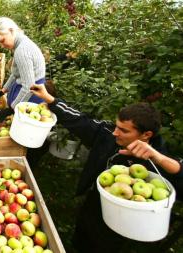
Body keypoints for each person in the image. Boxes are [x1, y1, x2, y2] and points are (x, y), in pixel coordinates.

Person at [30, 84, 183, 253]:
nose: (115, 133)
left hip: (121, 220)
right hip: (93, 202)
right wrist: (50, 99)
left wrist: (160, 159)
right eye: (116, 126)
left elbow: (179, 179)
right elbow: (80, 120)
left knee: (103, 246)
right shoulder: (107, 134)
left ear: (146, 135)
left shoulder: (156, 159)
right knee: (81, 239)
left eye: (123, 130)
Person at [0, 17, 47, 123]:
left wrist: (11, 109)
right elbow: (15, 74)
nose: (2, 45)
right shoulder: (21, 45)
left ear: (11, 30)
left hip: (30, 98)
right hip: (29, 96)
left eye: (2, 41)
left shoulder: (22, 50)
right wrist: (2, 91)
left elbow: (29, 87)